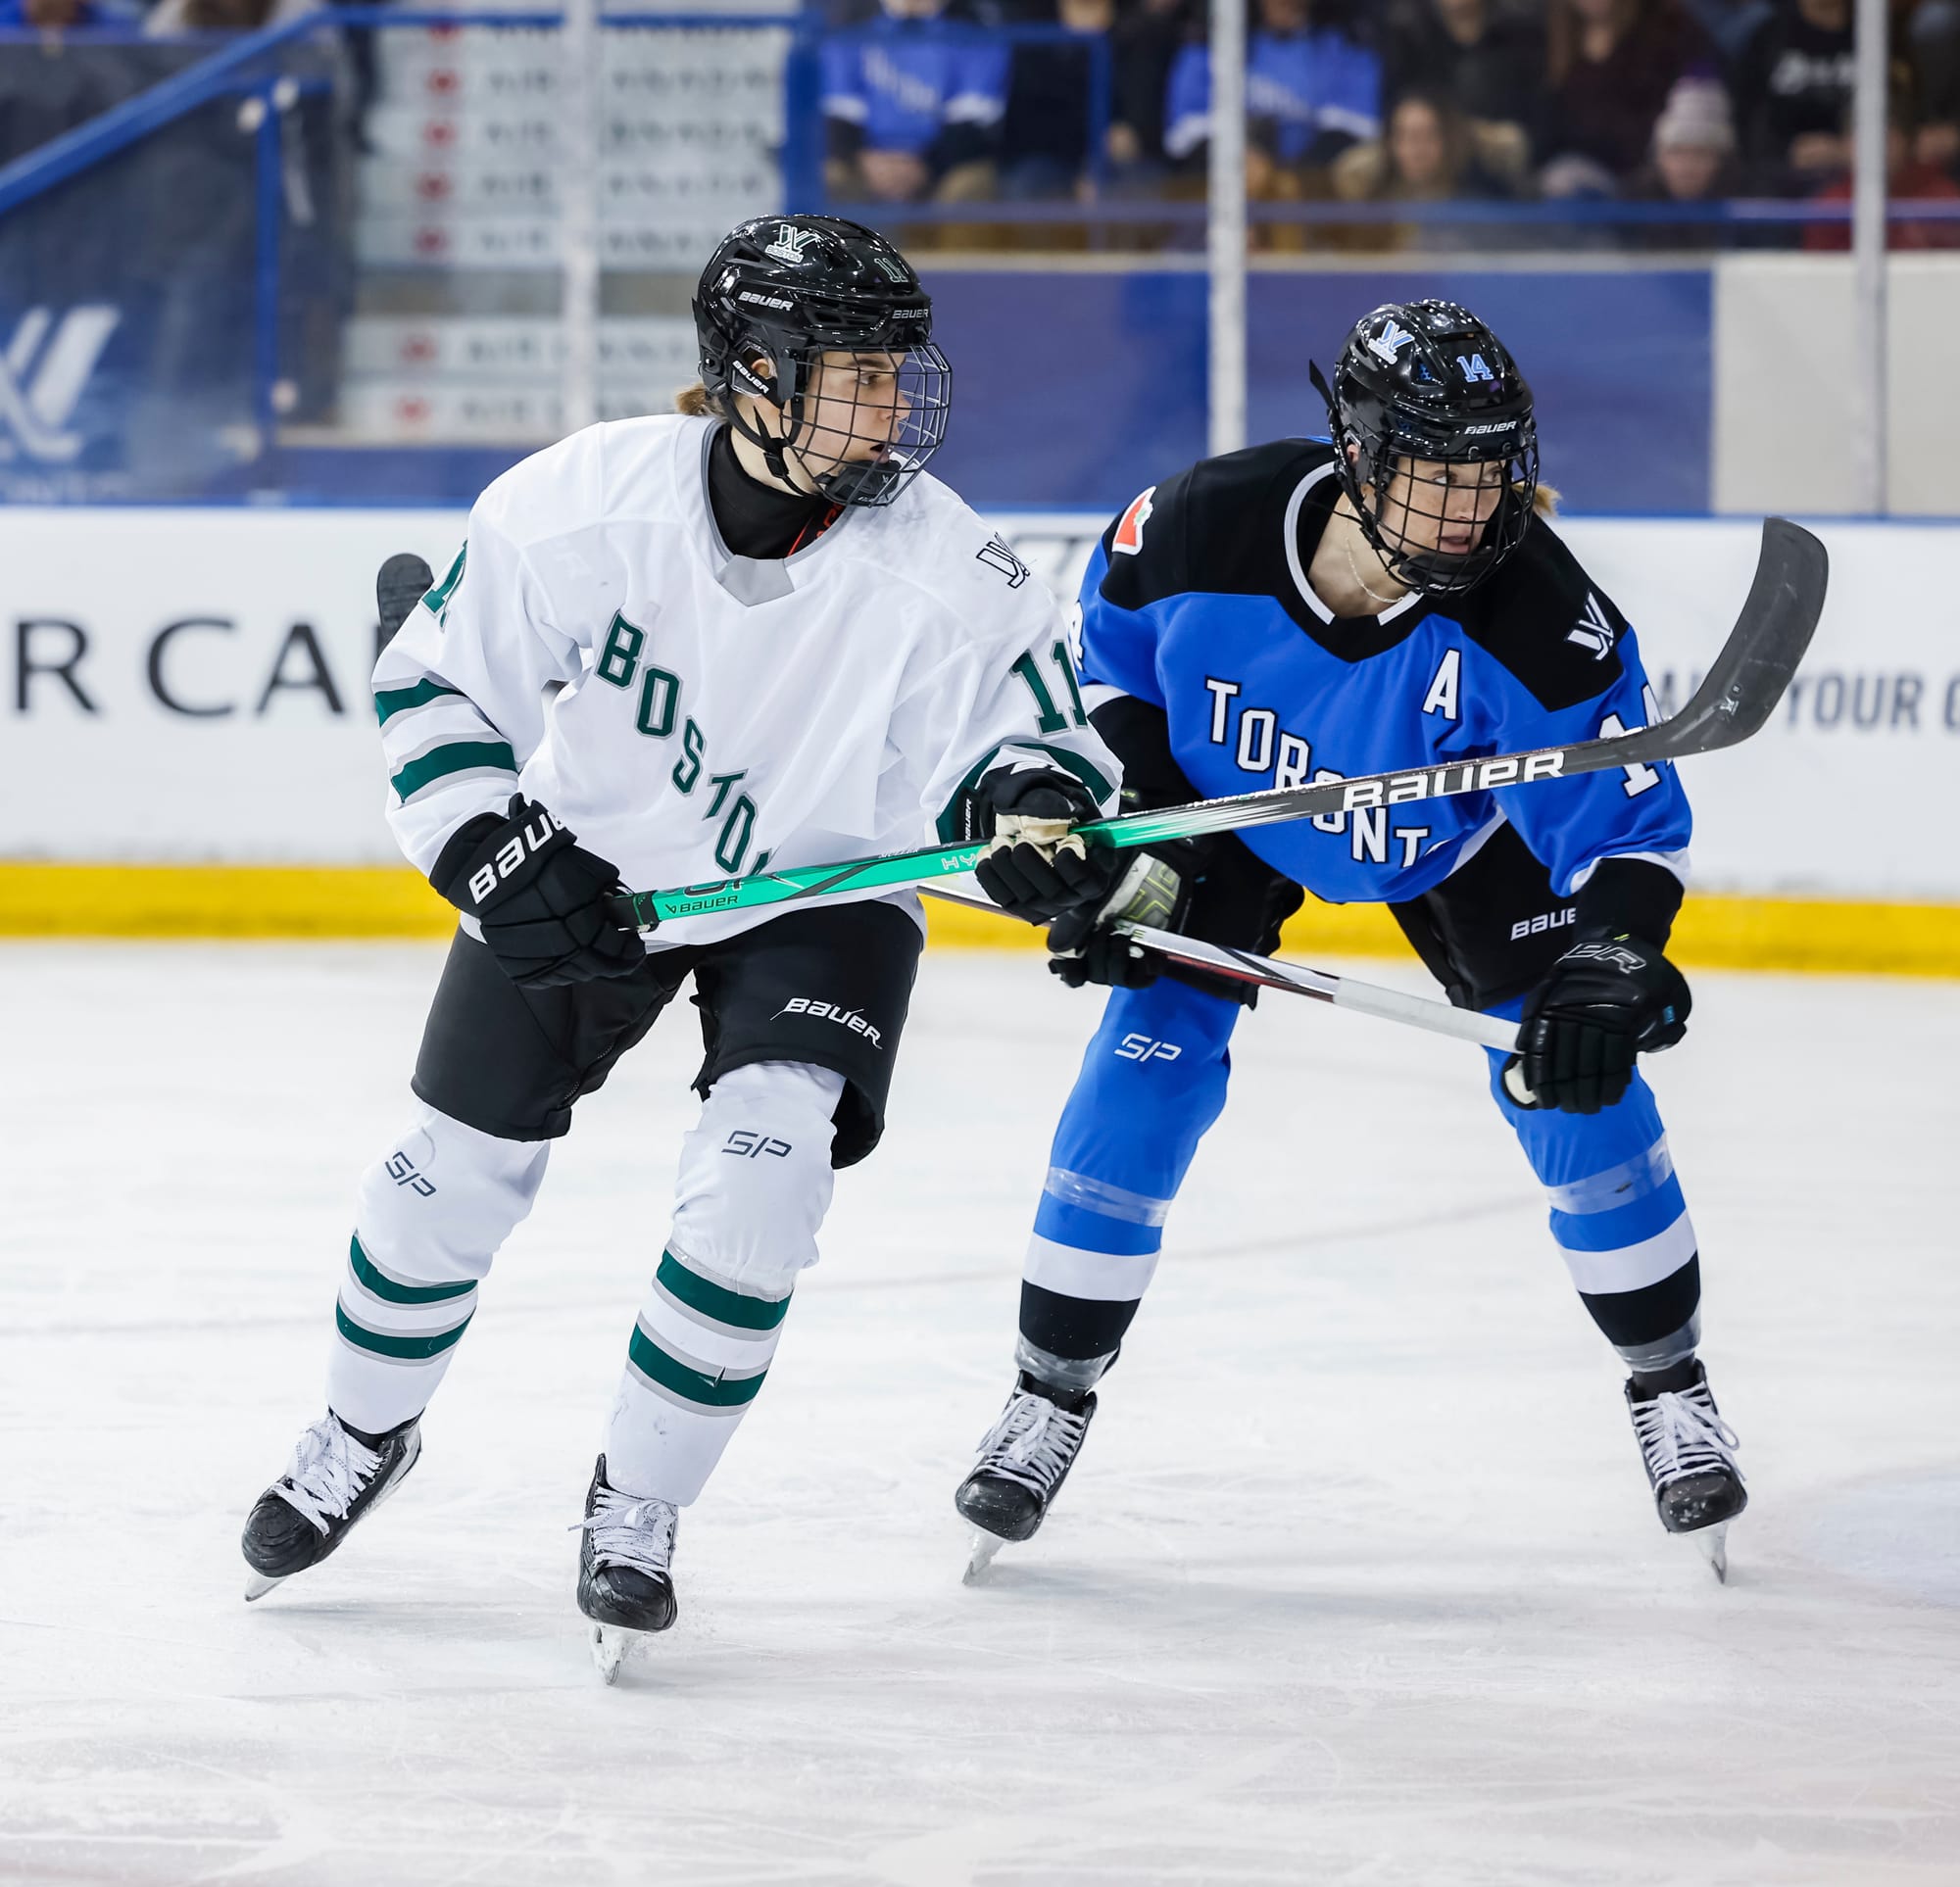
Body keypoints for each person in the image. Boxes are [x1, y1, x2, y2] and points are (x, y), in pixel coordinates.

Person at [238, 214, 1123, 1672]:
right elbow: (432, 696)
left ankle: (638, 1503)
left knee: (760, 1188)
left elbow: (1036, 742)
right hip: (600, 873)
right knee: (439, 1181)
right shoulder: (581, 504)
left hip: (823, 894)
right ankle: (359, 1429)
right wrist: (496, 853)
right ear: (752, 374)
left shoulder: (951, 562)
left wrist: (1037, 810)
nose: (889, 405)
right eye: (849, 373)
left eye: (897, 371)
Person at [953, 299, 1748, 1581]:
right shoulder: (1202, 522)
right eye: (1439, 477)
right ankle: (1050, 1394)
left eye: (1490, 477)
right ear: (1364, 458)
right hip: (1229, 818)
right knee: (1141, 1065)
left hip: (1455, 840)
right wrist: (1139, 836)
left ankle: (1669, 1381)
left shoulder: (1540, 616)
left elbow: (1625, 834)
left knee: (1570, 1086)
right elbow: (1108, 671)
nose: (1470, 513)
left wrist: (1610, 960)